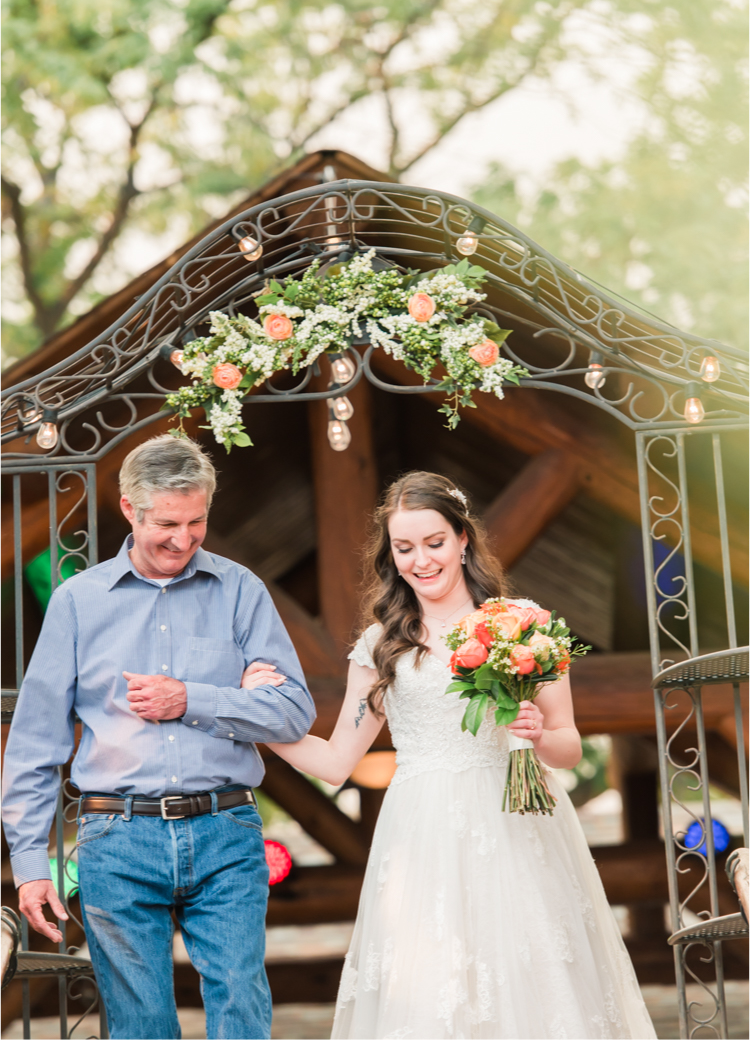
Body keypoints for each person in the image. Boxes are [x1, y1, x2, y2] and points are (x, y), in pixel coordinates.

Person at [255, 471, 655, 1038]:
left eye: (434, 542)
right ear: (391, 555)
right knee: (432, 992)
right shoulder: (381, 645)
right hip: (421, 834)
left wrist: (539, 733)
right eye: (404, 547)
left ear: (463, 539)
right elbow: (337, 760)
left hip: (516, 824)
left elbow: (568, 745)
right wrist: (259, 722)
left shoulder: (524, 625)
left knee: (530, 979)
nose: (421, 560)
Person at [1, 434, 315, 1039]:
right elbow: (36, 744)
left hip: (226, 830)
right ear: (129, 509)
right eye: (167, 524)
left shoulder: (241, 590)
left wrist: (192, 699)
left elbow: (293, 712)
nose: (184, 539)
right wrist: (30, 865)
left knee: (241, 1005)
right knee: (139, 1023)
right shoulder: (77, 603)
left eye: (197, 522)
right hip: (115, 836)